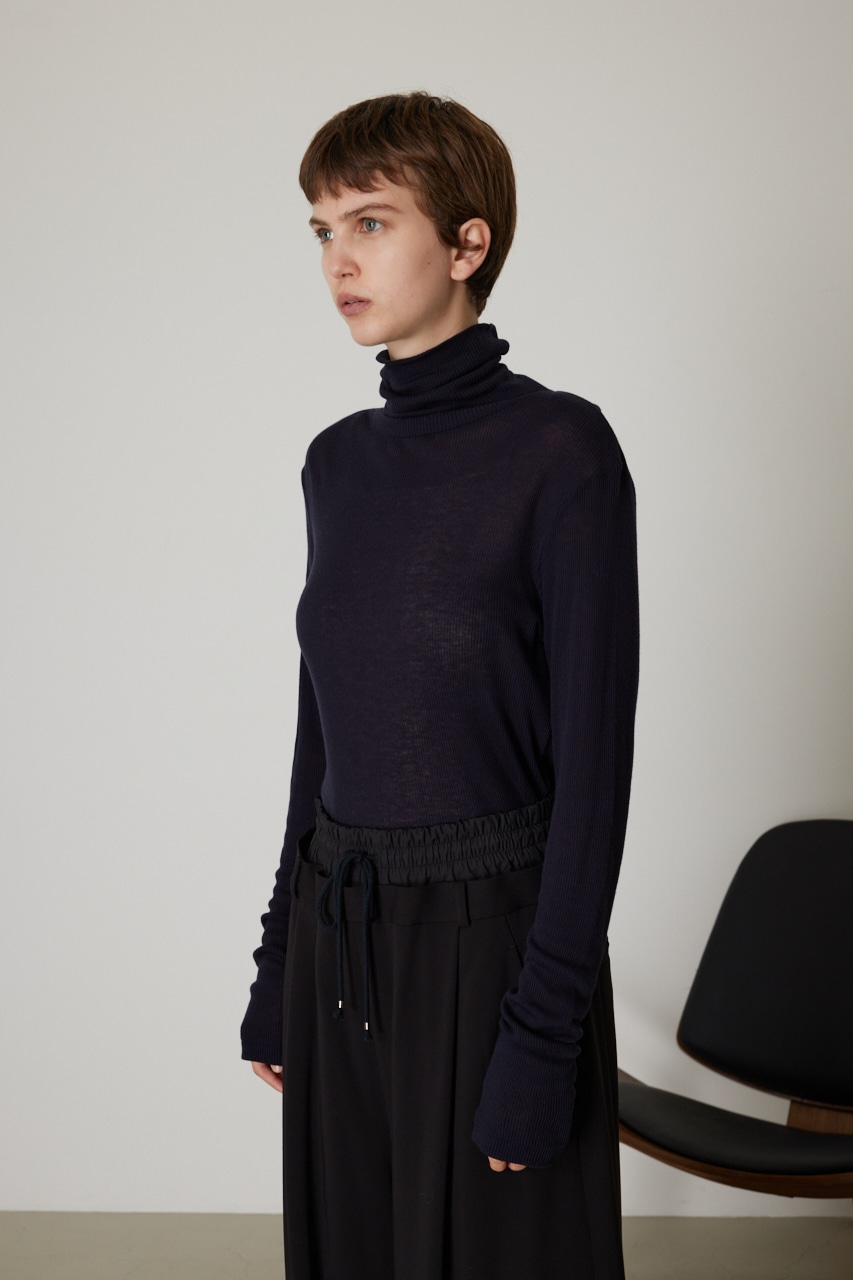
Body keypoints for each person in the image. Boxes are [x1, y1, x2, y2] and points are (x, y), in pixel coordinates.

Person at [240, 90, 640, 1280]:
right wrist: (278, 960)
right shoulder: (335, 464)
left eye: (370, 222)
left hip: (494, 951)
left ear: (468, 244)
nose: (338, 260)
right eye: (322, 230)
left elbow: (595, 773)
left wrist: (544, 1034)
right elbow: (322, 732)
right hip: (340, 941)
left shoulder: (562, 452)